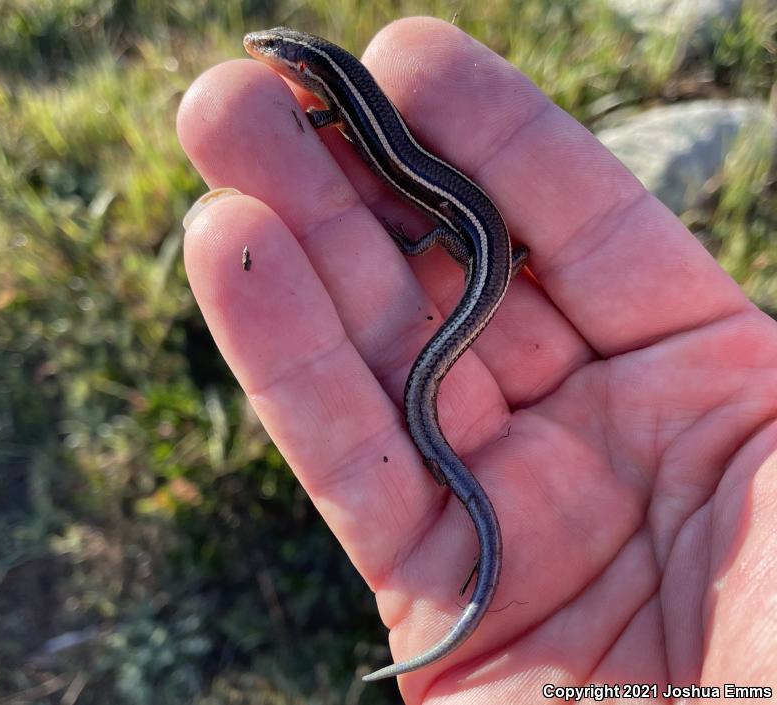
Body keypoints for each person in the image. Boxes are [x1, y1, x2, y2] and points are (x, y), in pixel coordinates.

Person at [177, 17, 777, 702]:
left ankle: (447, 268)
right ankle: (469, 271)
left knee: (432, 313)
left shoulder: (335, 103)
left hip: (470, 232)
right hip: (478, 235)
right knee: (438, 315)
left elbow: (343, 126)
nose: (264, 53)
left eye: (275, 49)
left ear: (306, 68)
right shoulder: (342, 98)